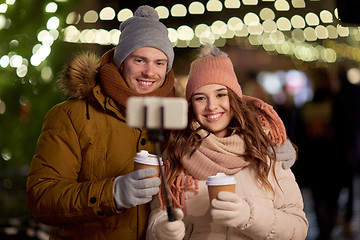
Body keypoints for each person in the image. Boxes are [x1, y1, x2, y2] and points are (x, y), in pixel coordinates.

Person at [26, 5, 175, 240]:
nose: (149, 72)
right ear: (121, 61)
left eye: (159, 63)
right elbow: (42, 197)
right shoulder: (71, 116)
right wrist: (112, 193)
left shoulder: (177, 117)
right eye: (139, 60)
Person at [147, 45, 308, 240]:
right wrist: (160, 231)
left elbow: (298, 229)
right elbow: (158, 214)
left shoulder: (266, 152)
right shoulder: (175, 153)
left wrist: (248, 216)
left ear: (234, 98)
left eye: (221, 94)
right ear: (191, 106)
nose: (211, 106)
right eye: (200, 98)